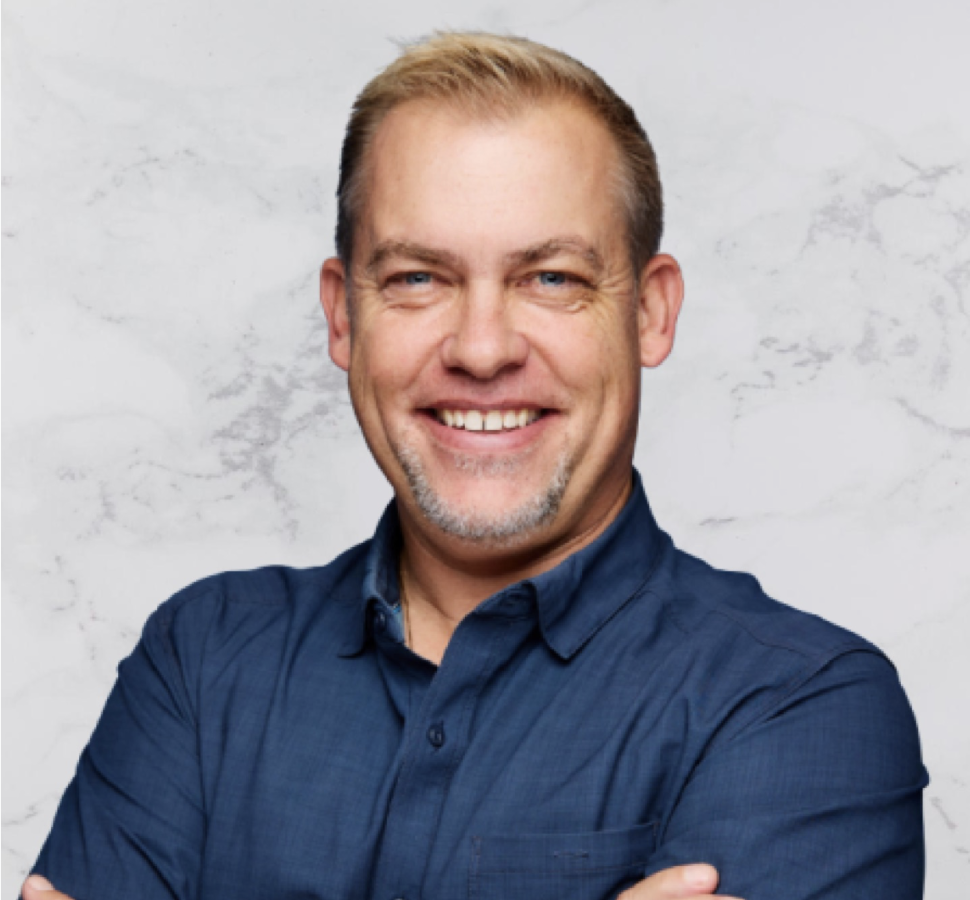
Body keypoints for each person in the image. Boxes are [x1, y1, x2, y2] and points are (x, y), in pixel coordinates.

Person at [22, 31, 927, 900]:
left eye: (552, 279)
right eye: (419, 277)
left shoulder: (797, 705)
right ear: (342, 317)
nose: (483, 349)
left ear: (650, 314)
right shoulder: (202, 662)